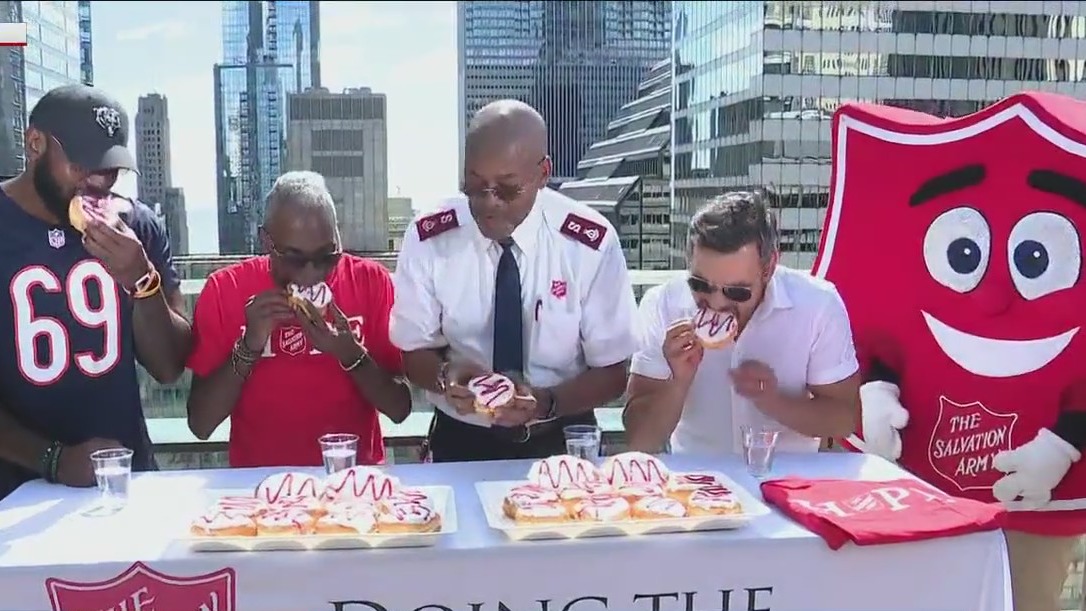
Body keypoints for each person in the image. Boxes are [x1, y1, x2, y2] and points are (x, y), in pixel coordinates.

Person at [817, 93, 1086, 611]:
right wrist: (871, 393)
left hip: (1032, 513)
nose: (993, 298)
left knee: (1025, 600)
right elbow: (880, 317)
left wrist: (1063, 445)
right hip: (911, 500)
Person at [390, 100, 638, 462]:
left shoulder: (589, 243)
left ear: (543, 173)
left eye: (507, 190)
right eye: (473, 186)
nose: (488, 203)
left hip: (561, 435)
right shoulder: (430, 236)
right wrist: (446, 375)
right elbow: (413, 354)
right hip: (460, 437)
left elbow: (614, 372)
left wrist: (546, 403)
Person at [0, 85, 190, 498]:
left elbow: (169, 367)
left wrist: (142, 281)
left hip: (125, 480)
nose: (100, 180)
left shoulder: (137, 226)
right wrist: (54, 459)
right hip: (13, 498)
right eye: (84, 163)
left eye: (111, 166)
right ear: (35, 144)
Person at [186, 171, 411, 467]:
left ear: (338, 236)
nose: (311, 273)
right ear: (267, 242)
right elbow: (201, 424)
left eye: (327, 256)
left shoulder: (372, 282)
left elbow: (400, 409)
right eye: (294, 258)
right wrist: (249, 345)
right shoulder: (224, 290)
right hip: (261, 489)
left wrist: (351, 355)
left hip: (351, 484)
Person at [623, 191, 860, 455]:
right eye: (700, 285)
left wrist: (775, 402)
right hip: (696, 481)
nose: (716, 303)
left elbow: (843, 419)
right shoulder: (663, 304)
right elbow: (639, 440)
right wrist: (677, 383)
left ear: (768, 268)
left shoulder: (817, 305)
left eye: (736, 292)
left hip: (788, 480)